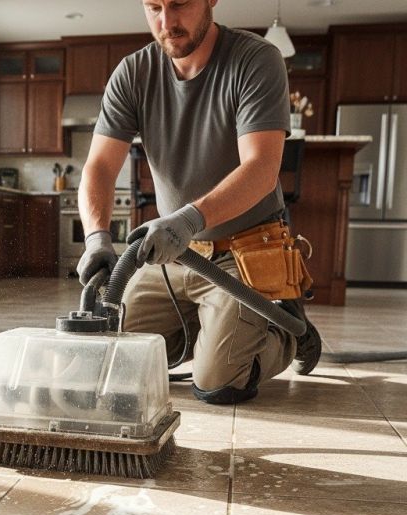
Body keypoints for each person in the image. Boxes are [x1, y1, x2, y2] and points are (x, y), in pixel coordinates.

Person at [76, 0, 322, 405]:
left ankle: (288, 329)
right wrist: (97, 238)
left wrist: (188, 220)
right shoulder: (133, 73)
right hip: (174, 254)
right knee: (117, 355)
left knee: (218, 382)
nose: (166, 22)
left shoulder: (256, 59)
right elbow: (99, 167)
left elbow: (261, 168)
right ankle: (208, 325)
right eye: (153, 6)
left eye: (179, 4)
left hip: (243, 251)